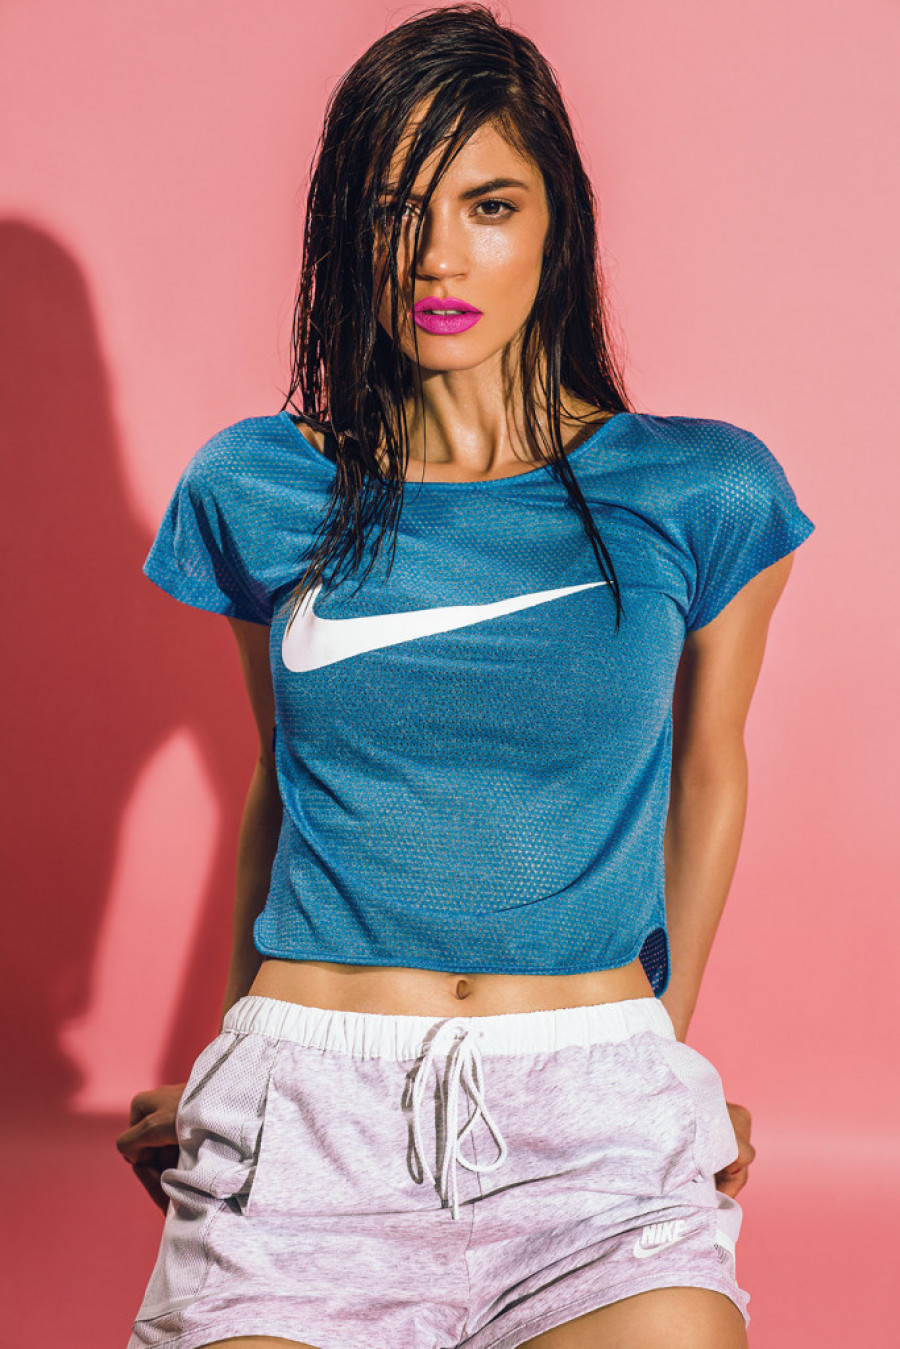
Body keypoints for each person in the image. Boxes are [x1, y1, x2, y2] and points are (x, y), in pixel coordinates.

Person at [116, 5, 815, 1347]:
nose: (438, 258)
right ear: (345, 232)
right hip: (308, 1107)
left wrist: (658, 1063)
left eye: (489, 206)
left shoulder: (703, 488)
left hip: (593, 1118)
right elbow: (282, 781)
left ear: (558, 224)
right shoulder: (258, 484)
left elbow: (709, 774)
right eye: (396, 211)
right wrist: (227, 1063)